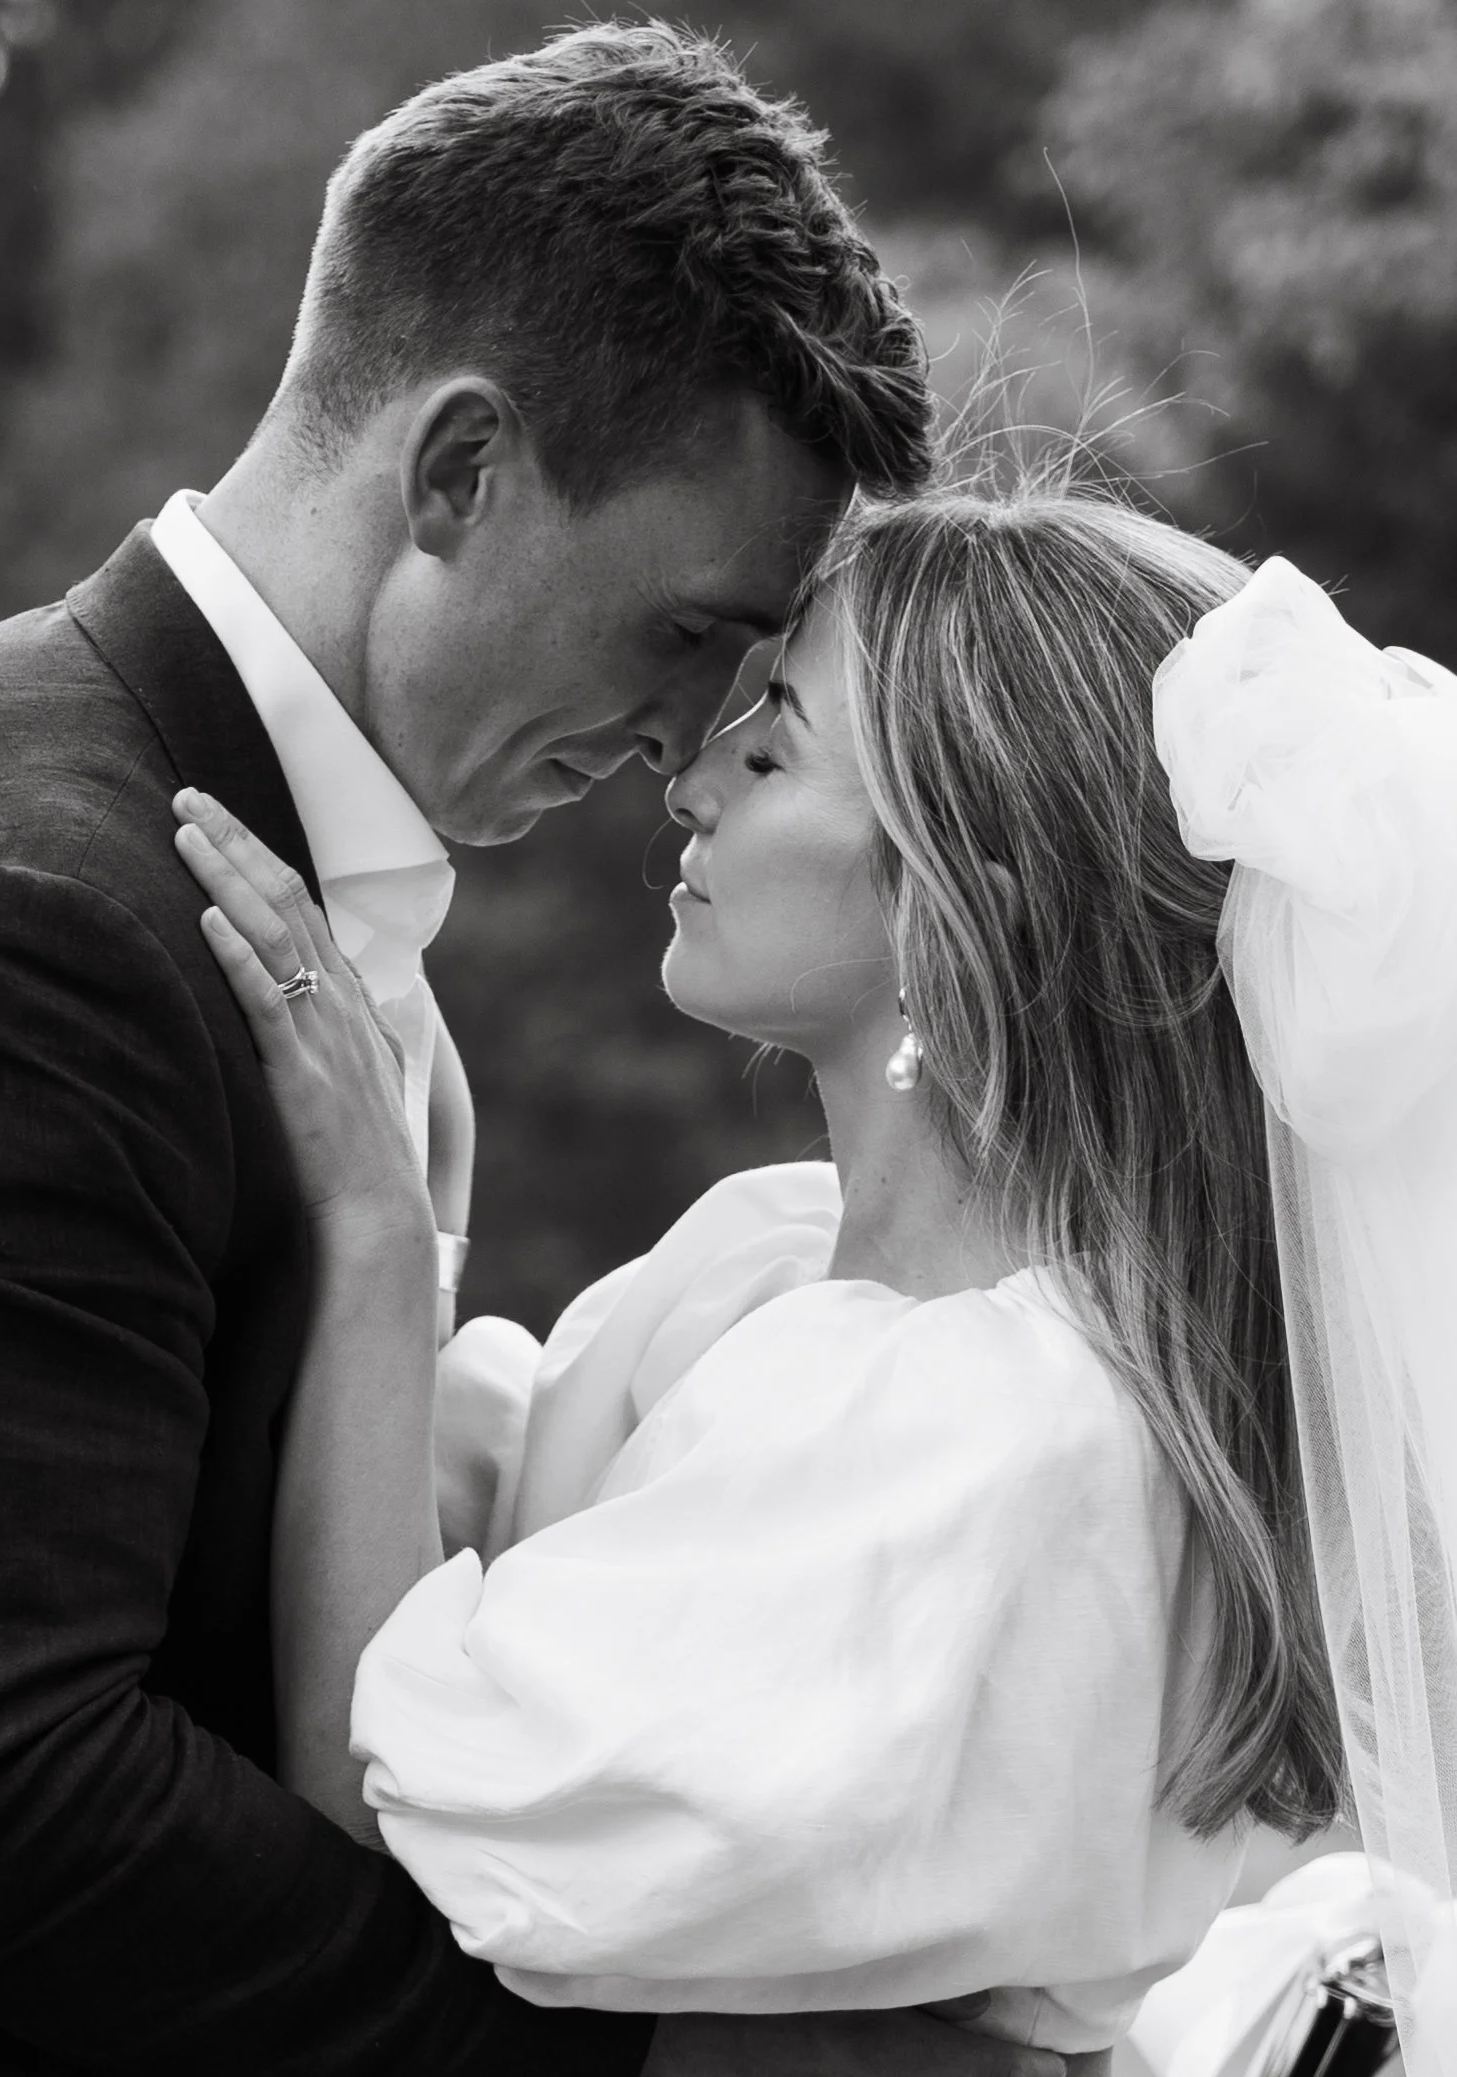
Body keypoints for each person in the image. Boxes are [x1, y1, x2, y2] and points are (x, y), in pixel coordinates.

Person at [0, 23, 1049, 2077]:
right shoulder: (23, 915)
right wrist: (670, 2066)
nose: (678, 746)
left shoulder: (227, 868)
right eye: (676, 632)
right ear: (459, 468)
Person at [171, 484, 1357, 2065]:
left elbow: (375, 1792)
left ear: (956, 900)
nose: (691, 781)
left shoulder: (987, 1448)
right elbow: (498, 1550)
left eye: (774, 741)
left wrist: (376, 1241)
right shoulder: (770, 1265)